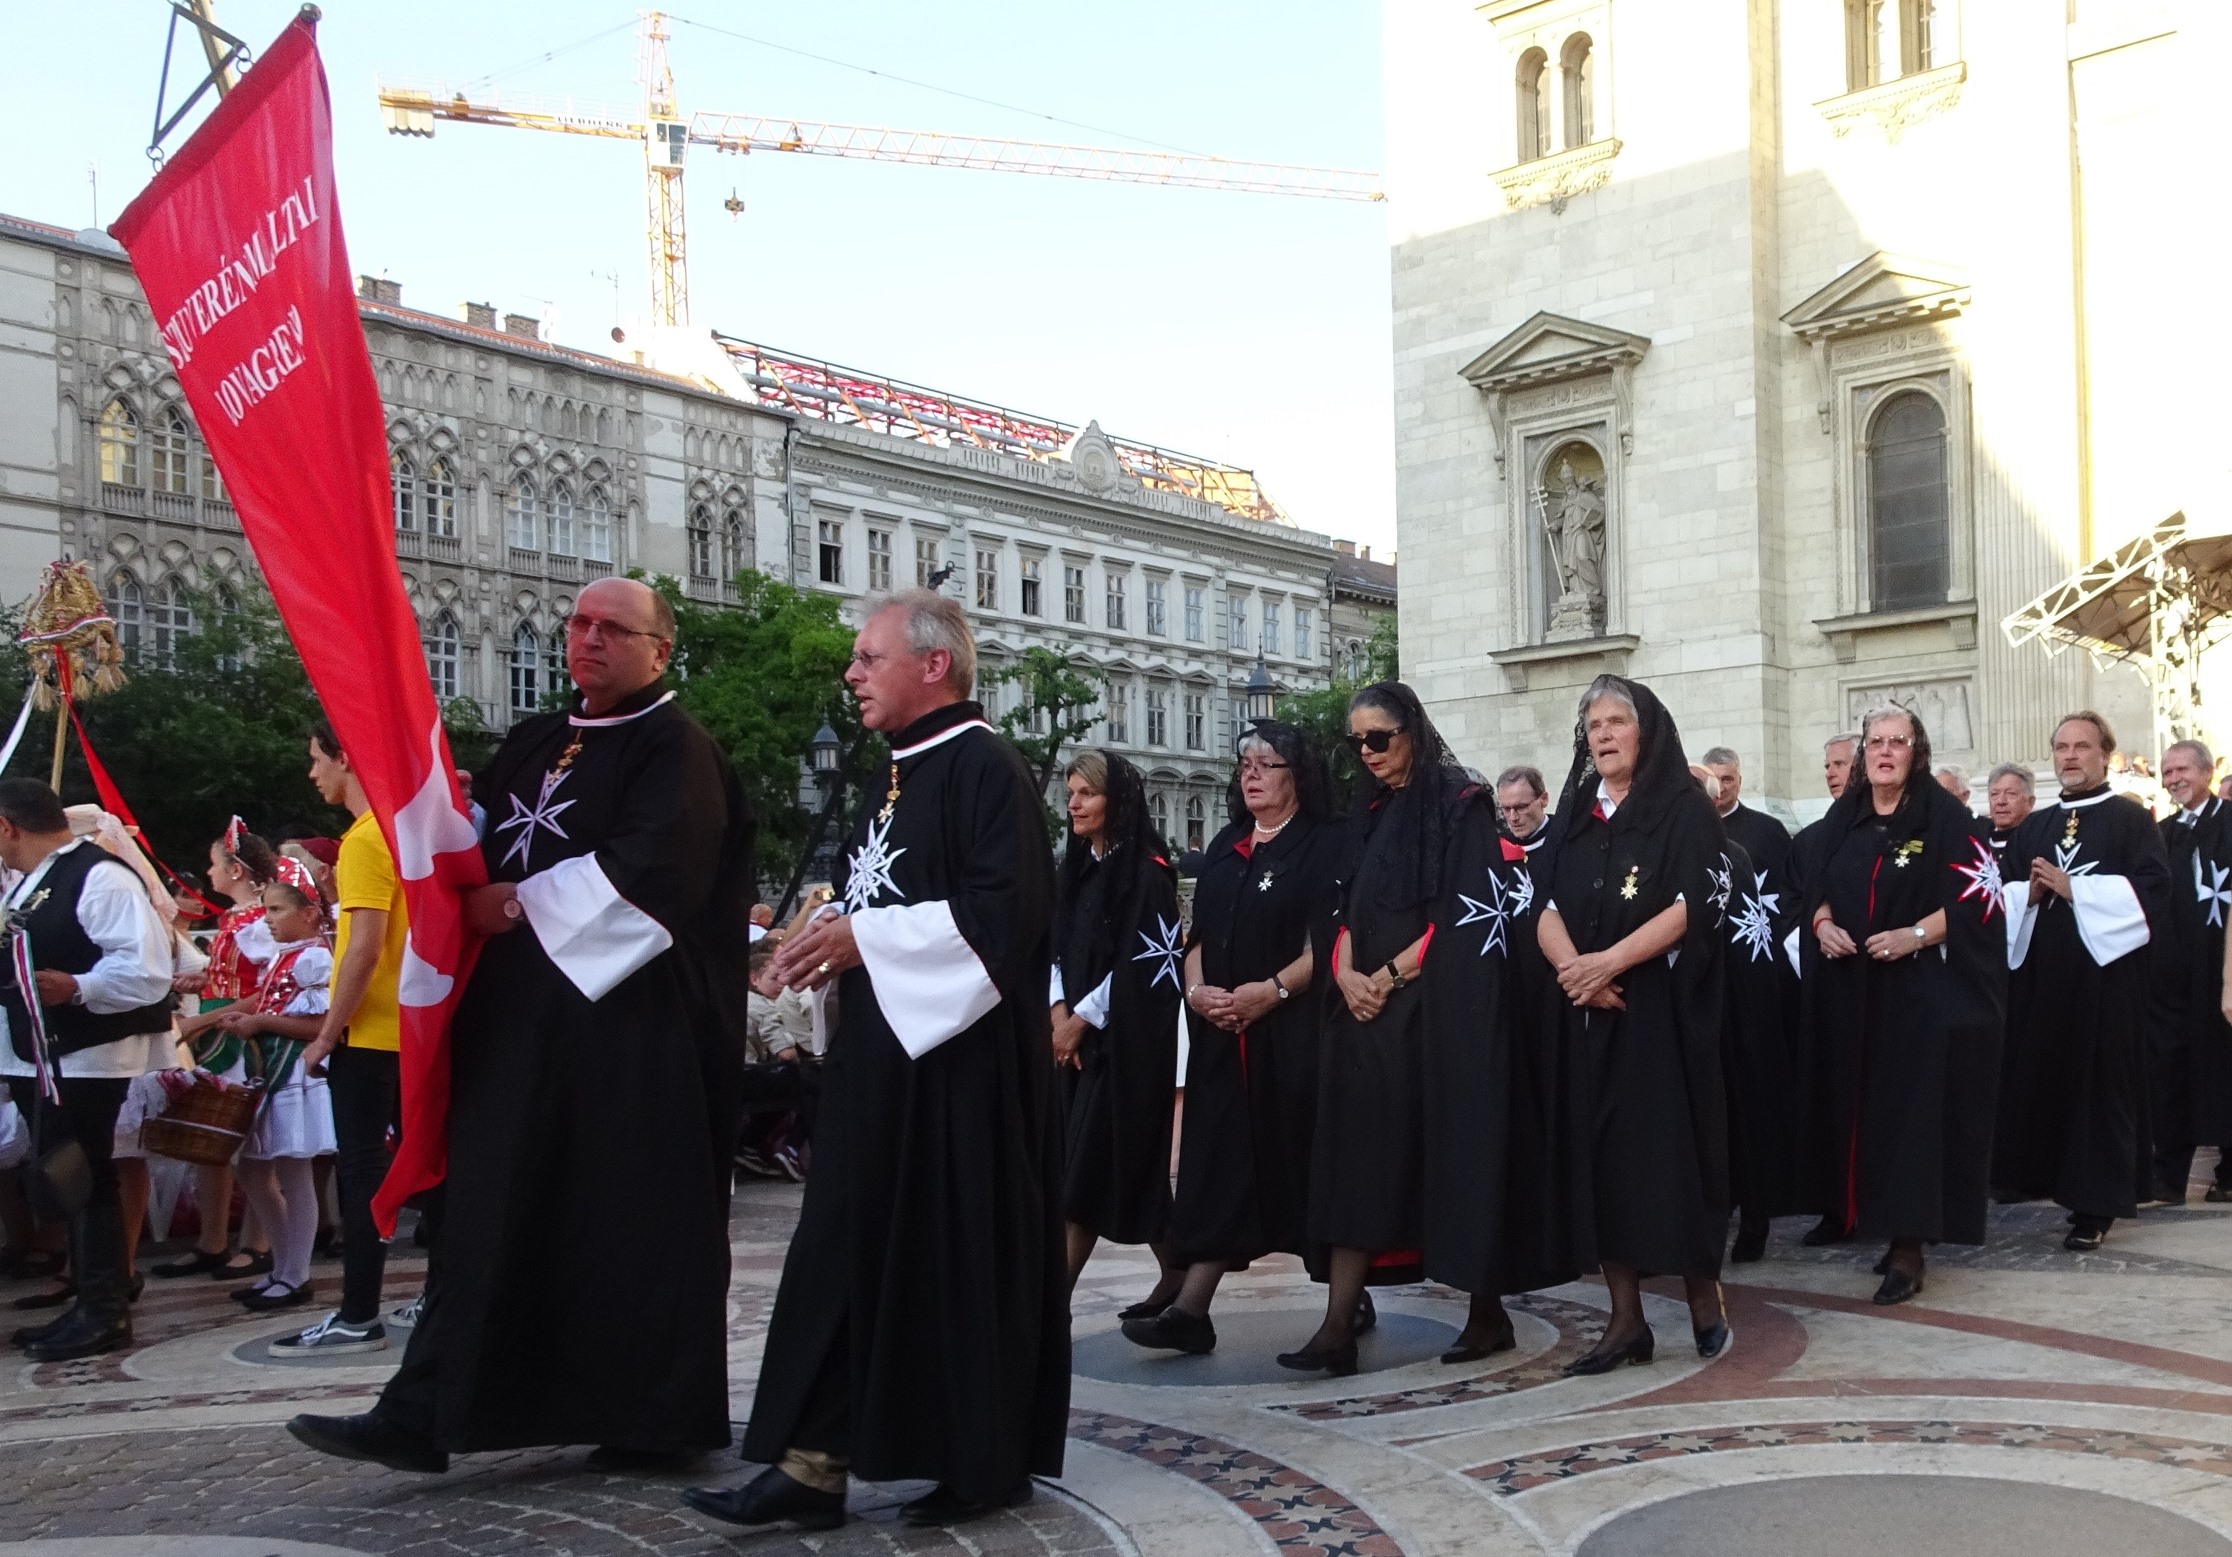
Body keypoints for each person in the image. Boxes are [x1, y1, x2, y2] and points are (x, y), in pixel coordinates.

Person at [290, 575, 756, 1468]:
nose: (588, 639)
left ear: (660, 650)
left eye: (614, 628)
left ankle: (645, 1419)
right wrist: (444, 814)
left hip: (630, 1039)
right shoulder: (538, 738)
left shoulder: (679, 749)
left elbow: (653, 877)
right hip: (516, 1028)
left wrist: (506, 907)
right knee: (484, 1214)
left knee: (626, 1223)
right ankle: (427, 1411)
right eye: (579, 623)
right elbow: (488, 841)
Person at [694, 589, 1061, 1532]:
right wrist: (815, 948)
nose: (851, 673)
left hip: (957, 1078)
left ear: (933, 665)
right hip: (877, 1063)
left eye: (868, 656)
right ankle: (810, 1464)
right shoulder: (891, 773)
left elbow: (1003, 918)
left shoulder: (988, 770)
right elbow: (868, 899)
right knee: (842, 1252)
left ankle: (978, 1461)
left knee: (945, 1255)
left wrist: (868, 942)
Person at [1121, 720, 1343, 1358]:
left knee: (1302, 1167)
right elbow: (1195, 938)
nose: (1249, 774)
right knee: (1218, 1167)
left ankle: (1347, 1304)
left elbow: (1325, 944)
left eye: (1265, 764)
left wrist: (1267, 992)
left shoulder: (1325, 845)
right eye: (1244, 763)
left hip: (1292, 1038)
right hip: (1222, 1034)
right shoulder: (1224, 845)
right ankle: (1192, 1309)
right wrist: (1197, 992)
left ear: (1295, 776)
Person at [1536, 676, 1729, 1373]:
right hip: (1590, 1012)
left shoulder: (1682, 807)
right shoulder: (1577, 813)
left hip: (1662, 1014)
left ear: (1645, 730)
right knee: (1600, 1160)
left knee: (1669, 1157)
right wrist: (1575, 972)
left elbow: (1693, 902)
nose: (1605, 734)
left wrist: (1609, 961)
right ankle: (1625, 1321)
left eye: (1618, 721)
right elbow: (1544, 903)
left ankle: (1703, 1296)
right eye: (1594, 725)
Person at [1802, 706, 2007, 1302]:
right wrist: (1821, 924)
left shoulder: (1946, 819)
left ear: (1916, 751)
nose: (1884, 752)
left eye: (1898, 742)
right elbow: (1811, 885)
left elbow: (1977, 899)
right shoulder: (1845, 818)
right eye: (1875, 742)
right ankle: (1852, 1213)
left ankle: (1909, 1248)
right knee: (1857, 1110)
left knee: (1910, 1119)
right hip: (1849, 994)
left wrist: (1914, 934)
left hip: (1917, 996)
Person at [1278, 684, 1455, 1374]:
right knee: (1350, 1166)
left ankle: (1487, 1308)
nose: (1368, 753)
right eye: (1357, 743)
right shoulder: (1370, 813)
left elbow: (1461, 913)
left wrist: (1389, 978)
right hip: (1358, 1015)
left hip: (1425, 1017)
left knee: (1446, 1166)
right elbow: (1344, 906)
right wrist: (1349, 972)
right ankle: (1337, 1325)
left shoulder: (1457, 808)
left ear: (1412, 729)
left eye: (1379, 737)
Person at [0, 778, 176, 1362]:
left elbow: (147, 969)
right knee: (65, 1178)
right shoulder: (29, 884)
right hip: (42, 1051)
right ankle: (89, 1302)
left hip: (84, 1053)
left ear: (7, 827)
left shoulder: (99, 876)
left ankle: (105, 1309)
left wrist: (79, 986)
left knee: (86, 1175)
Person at [1994, 711, 2171, 1251]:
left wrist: (2076, 890)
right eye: (2062, 747)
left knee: (2100, 1089)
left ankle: (2096, 1206)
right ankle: (2046, 1181)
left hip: (2106, 986)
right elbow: (2003, 894)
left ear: (2104, 755)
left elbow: (2154, 894)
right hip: (2045, 985)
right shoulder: (2037, 826)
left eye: (2082, 747)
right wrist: (2032, 895)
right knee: (2049, 1081)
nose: (2070, 756)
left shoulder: (2132, 820)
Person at [1425, 710, 1569, 1361]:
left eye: (1516, 806)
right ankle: (1482, 1305)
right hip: (1468, 1033)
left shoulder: (1551, 856)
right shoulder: (1449, 870)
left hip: (1535, 1025)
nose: (1508, 818)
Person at [266, 724, 412, 1356]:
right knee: (418, 1163)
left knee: (362, 1171)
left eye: (316, 758)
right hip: (408, 1025)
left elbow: (362, 950)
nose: (312, 772)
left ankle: (357, 1314)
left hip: (372, 1030)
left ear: (346, 759)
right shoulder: (398, 829)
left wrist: (327, 1034)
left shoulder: (364, 840)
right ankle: (445, 1290)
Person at [1049, 749, 1182, 1297]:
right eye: (1071, 793)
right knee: (1125, 1176)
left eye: (1087, 794)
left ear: (1116, 801)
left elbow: (1141, 962)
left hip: (1119, 1046)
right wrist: (1058, 1013)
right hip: (1071, 1046)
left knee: (1079, 1181)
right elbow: (1053, 947)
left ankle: (1050, 1305)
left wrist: (1082, 1020)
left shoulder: (1148, 876)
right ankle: (1180, 1278)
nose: (1074, 805)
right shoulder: (1076, 870)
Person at [156, 822, 281, 1283]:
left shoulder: (265, 918)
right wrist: (202, 984)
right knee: (210, 1140)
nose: (208, 872)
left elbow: (273, 990)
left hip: (245, 1036)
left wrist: (202, 1019)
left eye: (213, 863)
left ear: (234, 868)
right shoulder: (238, 918)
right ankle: (212, 1241)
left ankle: (259, 1242)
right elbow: (235, 978)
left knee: (254, 1147)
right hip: (219, 1031)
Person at [210, 867, 336, 1314]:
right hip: (270, 1070)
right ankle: (282, 1267)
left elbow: (323, 1025)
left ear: (308, 915)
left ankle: (296, 1273)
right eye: (266, 910)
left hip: (295, 1072)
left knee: (292, 1173)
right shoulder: (286, 956)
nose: (267, 919)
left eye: (277, 909)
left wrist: (260, 1022)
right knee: (252, 1169)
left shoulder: (314, 959)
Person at [1691, 768, 1796, 1266]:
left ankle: (1754, 1216)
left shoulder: (1735, 857)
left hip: (1735, 1008)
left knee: (1743, 1114)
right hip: (1688, 1011)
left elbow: (1744, 938)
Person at [2147, 741, 2232, 1206]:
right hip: (2172, 975)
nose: (2173, 778)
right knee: (2170, 1067)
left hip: (2220, 969)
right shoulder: (2162, 834)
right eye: (2166, 771)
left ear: (2207, 771)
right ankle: (2169, 1174)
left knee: (2224, 1065)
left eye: (2181, 769)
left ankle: (2229, 1170)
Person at [1789, 732, 1860, 1246]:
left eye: (1842, 763)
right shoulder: (1810, 838)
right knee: (1827, 1098)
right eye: (1828, 764)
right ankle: (1834, 1208)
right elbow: (1794, 902)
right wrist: (1819, 923)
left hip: (1880, 982)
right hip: (1824, 984)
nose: (1832, 772)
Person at [1700, 745, 1792, 893]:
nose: (1720, 789)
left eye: (1727, 780)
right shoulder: (1687, 830)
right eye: (1713, 781)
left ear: (1740, 781)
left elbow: (1790, 884)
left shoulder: (1769, 829)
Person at [1986, 763, 2037, 864]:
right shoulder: (1975, 842)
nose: (2001, 801)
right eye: (1994, 794)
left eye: (2011, 793)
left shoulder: (2039, 842)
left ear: (2030, 802)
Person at [1495, 765, 1551, 852]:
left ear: (1544, 799)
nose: (1513, 818)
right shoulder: (1497, 848)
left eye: (1521, 807)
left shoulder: (1566, 838)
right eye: (1506, 809)